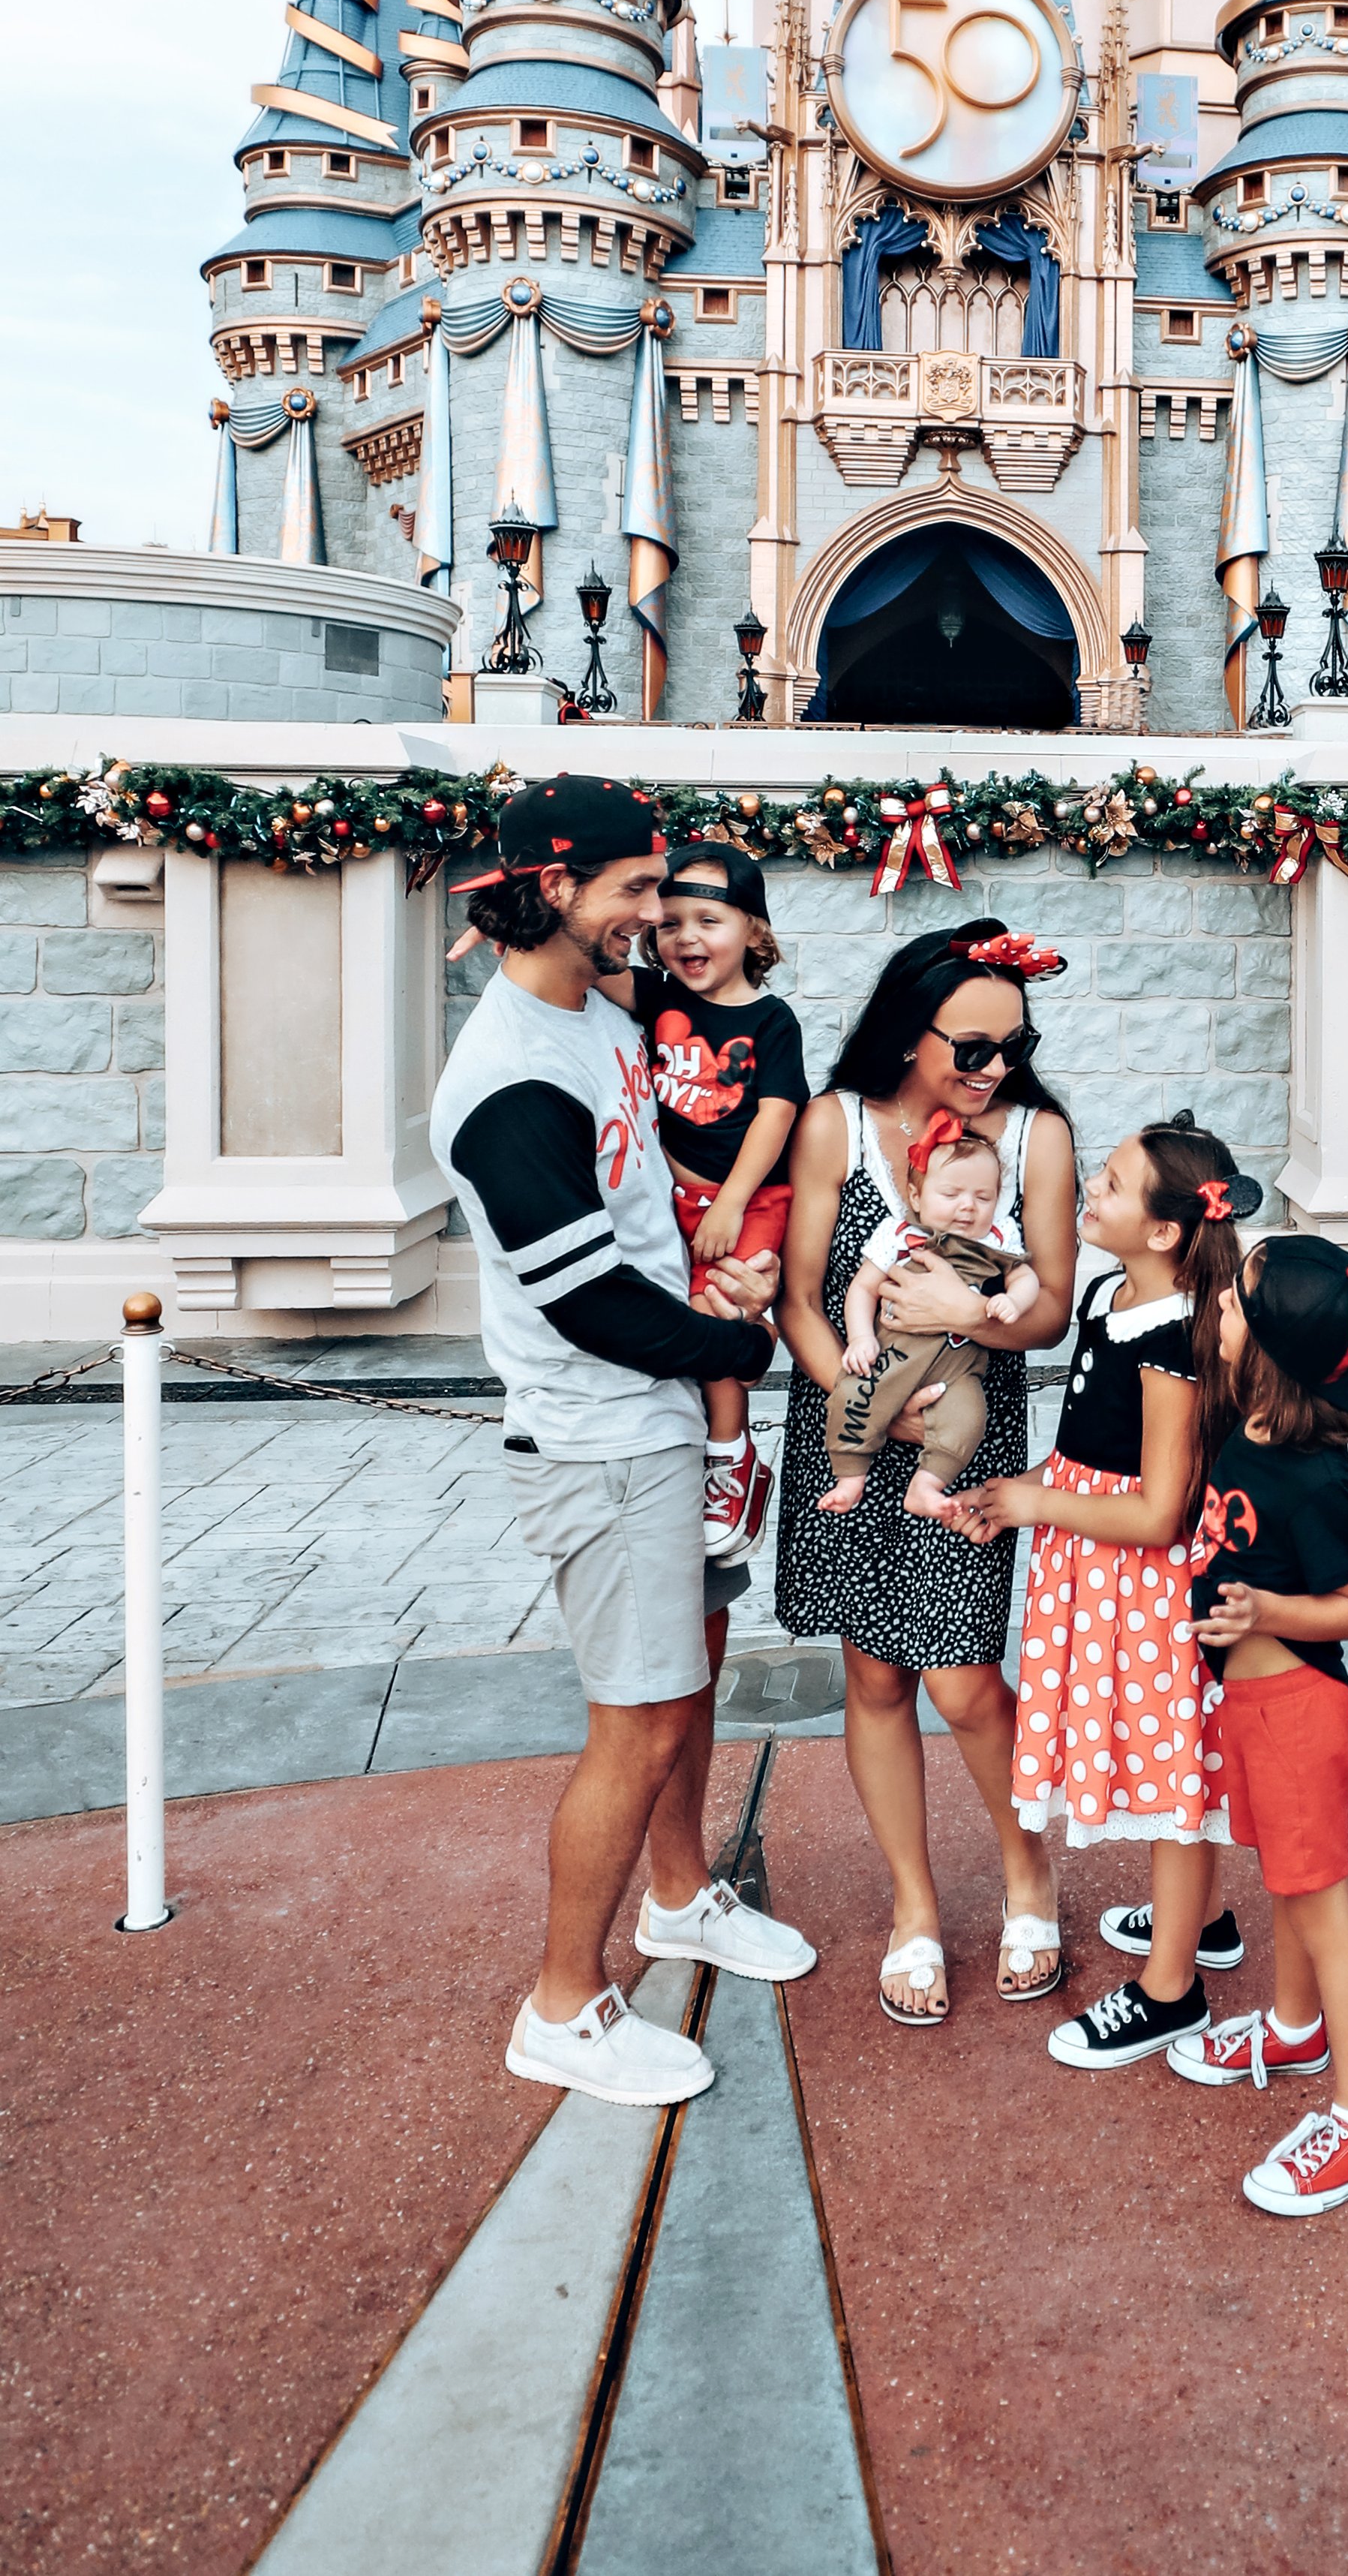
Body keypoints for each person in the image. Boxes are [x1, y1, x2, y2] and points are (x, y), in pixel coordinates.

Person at [432, 775, 816, 2115]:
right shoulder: (505, 1084)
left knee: (687, 1679)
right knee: (637, 1719)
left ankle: (676, 1898)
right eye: (634, 892)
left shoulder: (593, 1012)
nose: (657, 917)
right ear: (550, 889)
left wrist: (722, 1301)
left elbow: (657, 1208)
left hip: (661, 1420)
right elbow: (584, 1298)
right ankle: (561, 2006)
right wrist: (732, 1350)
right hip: (605, 1441)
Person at [775, 923, 1078, 2025]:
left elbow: (1044, 1310)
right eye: (975, 1045)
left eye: (1013, 1044)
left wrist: (972, 1322)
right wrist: (867, 1404)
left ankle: (1027, 1870)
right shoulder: (835, 1124)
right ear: (910, 1032)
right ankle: (914, 1904)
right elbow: (800, 1296)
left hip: (968, 1430)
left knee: (961, 1674)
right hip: (852, 1421)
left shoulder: (1038, 1136)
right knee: (875, 1678)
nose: (995, 1066)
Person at [953, 1117, 1261, 2061]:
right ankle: (1202, 1922)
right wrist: (1025, 1500)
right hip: (1093, 1566)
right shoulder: (1107, 1292)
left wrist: (1037, 1500)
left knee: (1172, 1776)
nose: (1092, 1187)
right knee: (1166, 1766)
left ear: (1165, 1230)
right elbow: (1091, 1445)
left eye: (1115, 1185)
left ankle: (1171, 1991)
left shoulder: (1176, 1334)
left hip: (1147, 1584)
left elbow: (1161, 1514)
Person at [1166, 1234, 1348, 2216]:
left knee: (1321, 1910)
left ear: (1263, 1348)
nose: (1218, 1304)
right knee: (1287, 1884)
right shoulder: (1247, 1432)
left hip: (1300, 1710)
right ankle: (1296, 2026)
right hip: (1253, 1709)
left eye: (1234, 1299)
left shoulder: (1316, 1477)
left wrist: (1265, 1614)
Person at [607, 843, 806, 1561]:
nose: (687, 936)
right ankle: (694, 1448)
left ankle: (733, 1458)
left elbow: (776, 1116)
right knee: (672, 1323)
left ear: (753, 931)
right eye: (672, 922)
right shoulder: (658, 999)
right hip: (671, 1199)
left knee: (718, 1316)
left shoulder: (771, 1020)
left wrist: (729, 1205)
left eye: (710, 920)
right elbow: (583, 964)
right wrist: (515, 925)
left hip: (748, 1202)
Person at [821, 1110, 1040, 1520]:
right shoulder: (901, 1237)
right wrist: (860, 1338)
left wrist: (1014, 1302)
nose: (968, 1207)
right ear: (917, 1198)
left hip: (959, 1372)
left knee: (969, 1416)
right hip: (893, 1357)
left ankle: (928, 1484)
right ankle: (850, 1475)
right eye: (951, 1194)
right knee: (854, 1396)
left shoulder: (997, 1239)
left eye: (983, 1197)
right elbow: (863, 1288)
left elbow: (1025, 1277)